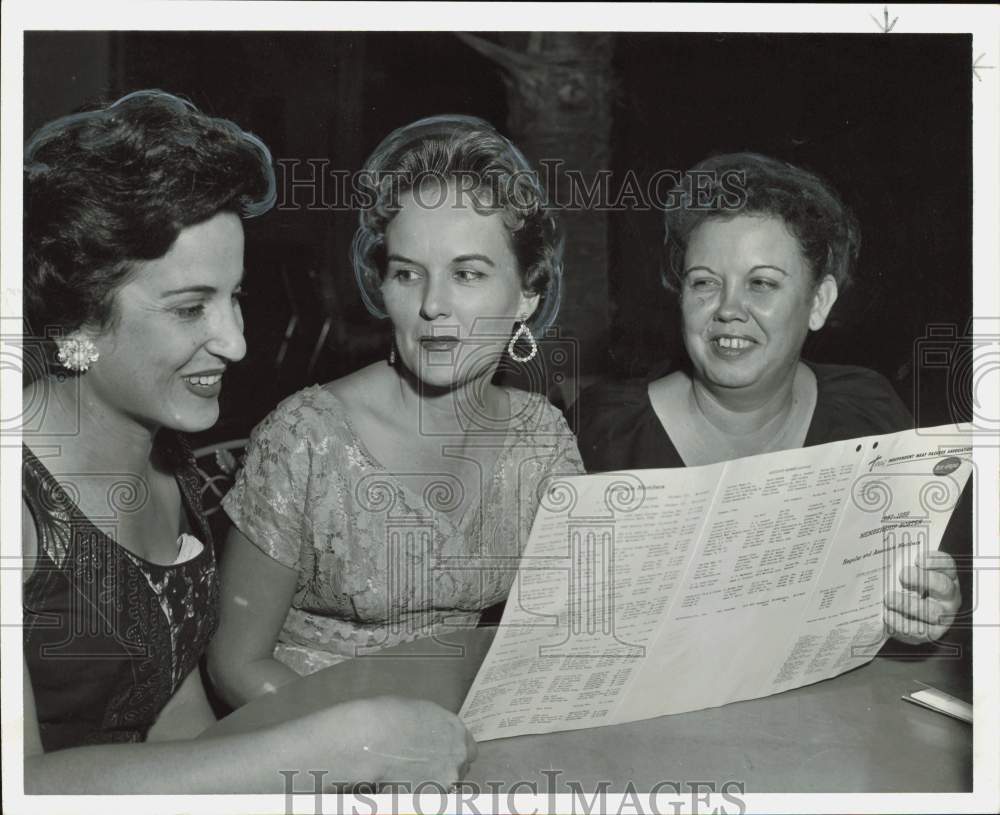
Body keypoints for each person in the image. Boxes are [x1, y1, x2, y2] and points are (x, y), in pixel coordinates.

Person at [21, 90, 473, 793]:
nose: (234, 341)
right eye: (191, 307)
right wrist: (341, 746)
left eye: (235, 297)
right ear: (80, 319)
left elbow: (178, 736)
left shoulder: (171, 469)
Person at [208, 114, 584, 706]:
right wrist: (366, 750)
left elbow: (569, 626)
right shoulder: (305, 435)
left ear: (527, 295)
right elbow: (235, 662)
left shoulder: (542, 437)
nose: (433, 305)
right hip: (308, 743)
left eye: (467, 274)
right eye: (408, 274)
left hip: (461, 734)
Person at [575, 152, 962, 645]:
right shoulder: (606, 433)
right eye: (704, 282)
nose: (729, 309)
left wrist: (922, 606)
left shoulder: (867, 416)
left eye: (761, 283)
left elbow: (905, 584)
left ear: (818, 302)